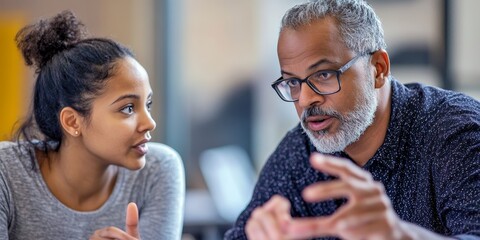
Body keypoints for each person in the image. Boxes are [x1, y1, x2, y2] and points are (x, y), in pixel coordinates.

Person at [225, 0, 480, 239]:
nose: (304, 100)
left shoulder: (454, 133)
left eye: (323, 74)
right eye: (293, 82)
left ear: (378, 68)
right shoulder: (299, 153)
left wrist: (399, 234)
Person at [0, 10, 185, 239]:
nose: (150, 123)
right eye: (128, 108)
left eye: (148, 104)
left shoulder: (158, 170)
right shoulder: (5, 172)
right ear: (72, 121)